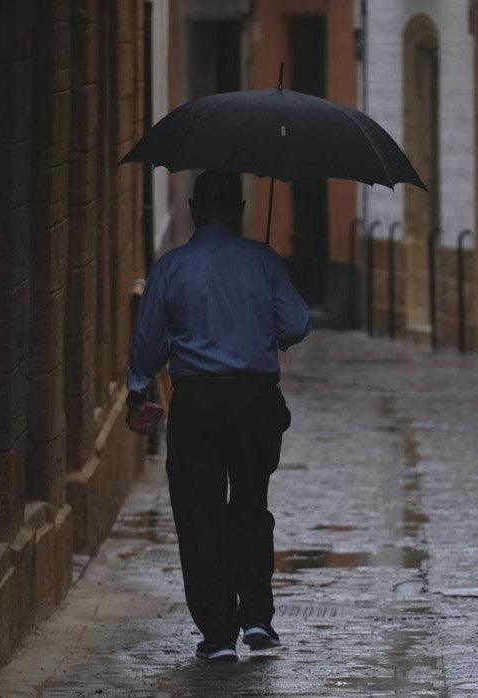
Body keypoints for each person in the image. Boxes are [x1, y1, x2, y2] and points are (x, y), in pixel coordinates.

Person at [125, 170, 312, 663]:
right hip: (255, 401)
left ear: (192, 207)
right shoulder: (264, 261)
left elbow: (148, 343)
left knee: (200, 515)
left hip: (198, 403)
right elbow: (295, 323)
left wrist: (137, 390)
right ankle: (256, 618)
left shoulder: (171, 268)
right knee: (251, 505)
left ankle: (217, 634)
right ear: (240, 208)